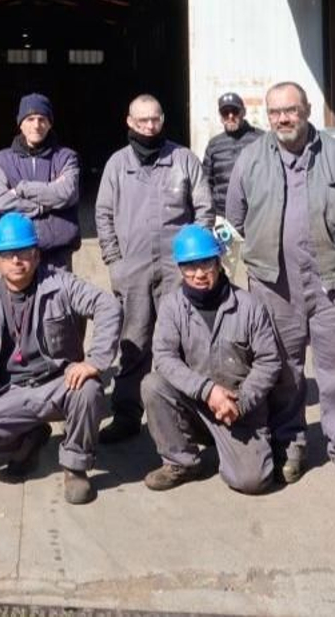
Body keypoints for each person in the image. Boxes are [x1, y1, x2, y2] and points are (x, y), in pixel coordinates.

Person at [226, 81, 335, 491]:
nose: (283, 119)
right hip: (273, 288)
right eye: (275, 112)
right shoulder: (250, 160)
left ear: (307, 110)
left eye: (290, 110)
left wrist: (330, 252)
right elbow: (235, 218)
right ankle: (290, 443)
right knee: (283, 373)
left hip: (333, 284)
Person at [0, 214, 121, 505]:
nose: (17, 261)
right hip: (12, 391)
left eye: (24, 253)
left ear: (37, 255)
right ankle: (27, 441)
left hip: (58, 382)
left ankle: (75, 467)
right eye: (8, 254)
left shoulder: (60, 284)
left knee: (89, 389)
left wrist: (94, 361)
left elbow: (107, 305)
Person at [94, 94, 213, 443]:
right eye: (142, 120)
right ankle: (127, 414)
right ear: (129, 122)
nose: (149, 126)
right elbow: (103, 215)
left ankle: (188, 416)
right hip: (133, 270)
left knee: (185, 342)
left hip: (180, 271)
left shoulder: (183, 159)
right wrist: (114, 262)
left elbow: (204, 209)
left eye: (155, 119)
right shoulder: (118, 164)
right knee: (134, 342)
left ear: (163, 119)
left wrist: (196, 261)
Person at [142, 225, 291, 495]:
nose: (199, 274)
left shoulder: (249, 306)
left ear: (219, 261)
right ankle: (182, 462)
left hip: (238, 409)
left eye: (206, 263)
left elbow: (269, 362)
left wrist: (241, 401)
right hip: (196, 403)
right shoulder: (172, 306)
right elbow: (164, 357)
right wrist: (207, 391)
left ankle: (235, 450)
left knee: (252, 482)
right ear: (179, 268)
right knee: (153, 385)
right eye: (190, 266)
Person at [0, 93, 81, 270]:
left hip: (58, 256)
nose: (36, 125)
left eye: (42, 119)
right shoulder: (2, 160)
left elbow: (66, 194)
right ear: (20, 123)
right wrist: (43, 205)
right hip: (17, 255)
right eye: (30, 119)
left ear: (50, 123)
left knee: (59, 298)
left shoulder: (66, 157)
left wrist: (22, 188)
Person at [204, 92, 260, 218]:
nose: (230, 116)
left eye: (235, 111)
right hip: (223, 219)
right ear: (220, 116)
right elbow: (206, 184)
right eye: (225, 112)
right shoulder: (214, 145)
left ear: (243, 112)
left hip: (255, 216)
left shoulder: (261, 140)